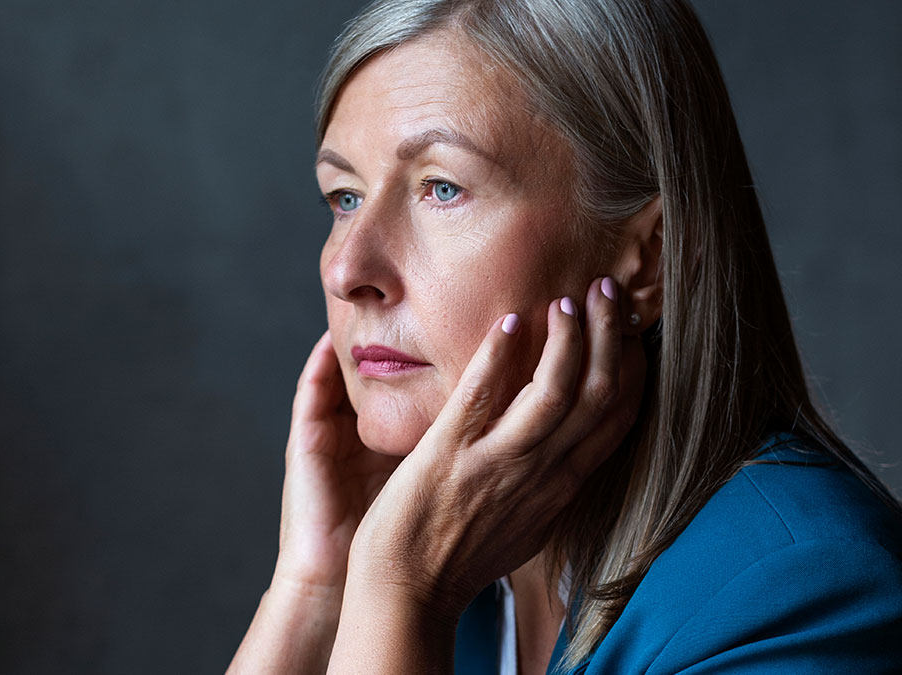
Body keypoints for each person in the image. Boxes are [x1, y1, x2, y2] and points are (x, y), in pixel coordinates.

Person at [229, 0, 902, 673]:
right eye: (344, 195)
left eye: (441, 188)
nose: (349, 269)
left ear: (650, 257)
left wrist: (405, 589)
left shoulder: (802, 592)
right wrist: (315, 587)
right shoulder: (447, 565)